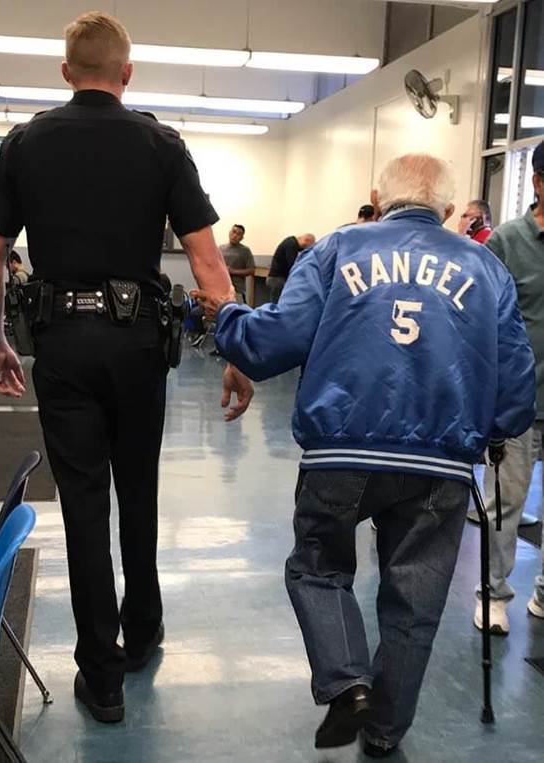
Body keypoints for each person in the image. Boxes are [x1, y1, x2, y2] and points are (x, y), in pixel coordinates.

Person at [0, 10, 253, 724]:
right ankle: (146, 625)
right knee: (138, 490)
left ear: (66, 72)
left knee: (84, 506)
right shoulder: (162, 144)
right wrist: (235, 349)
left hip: (62, 348)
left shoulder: (24, 144)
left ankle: (101, 675)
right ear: (126, 74)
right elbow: (205, 259)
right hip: (138, 346)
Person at [211, 154, 536, 757]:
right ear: (447, 208)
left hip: (342, 451)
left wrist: (227, 317)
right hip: (440, 464)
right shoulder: (485, 267)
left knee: (317, 566)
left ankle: (346, 682)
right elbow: (517, 379)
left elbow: (272, 341)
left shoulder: (338, 249)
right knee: (413, 602)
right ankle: (385, 733)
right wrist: (494, 431)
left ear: (375, 197)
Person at [473, 140, 544, 635]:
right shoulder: (506, 242)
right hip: (520, 399)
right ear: (538, 183)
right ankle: (493, 594)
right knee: (506, 503)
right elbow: (484, 323)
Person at [266, 232, 315, 303]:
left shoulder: (291, 242)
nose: (304, 249)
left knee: (277, 302)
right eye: (307, 247)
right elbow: (293, 264)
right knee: (277, 304)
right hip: (277, 279)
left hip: (276, 278)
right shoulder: (291, 245)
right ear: (306, 240)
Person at [219, 224, 255, 303]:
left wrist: (232, 271)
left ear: (242, 238)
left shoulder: (245, 251)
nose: (235, 235)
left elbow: (251, 270)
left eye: (238, 234)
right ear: (229, 233)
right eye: (233, 232)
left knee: (236, 312)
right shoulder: (220, 248)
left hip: (237, 290)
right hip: (221, 289)